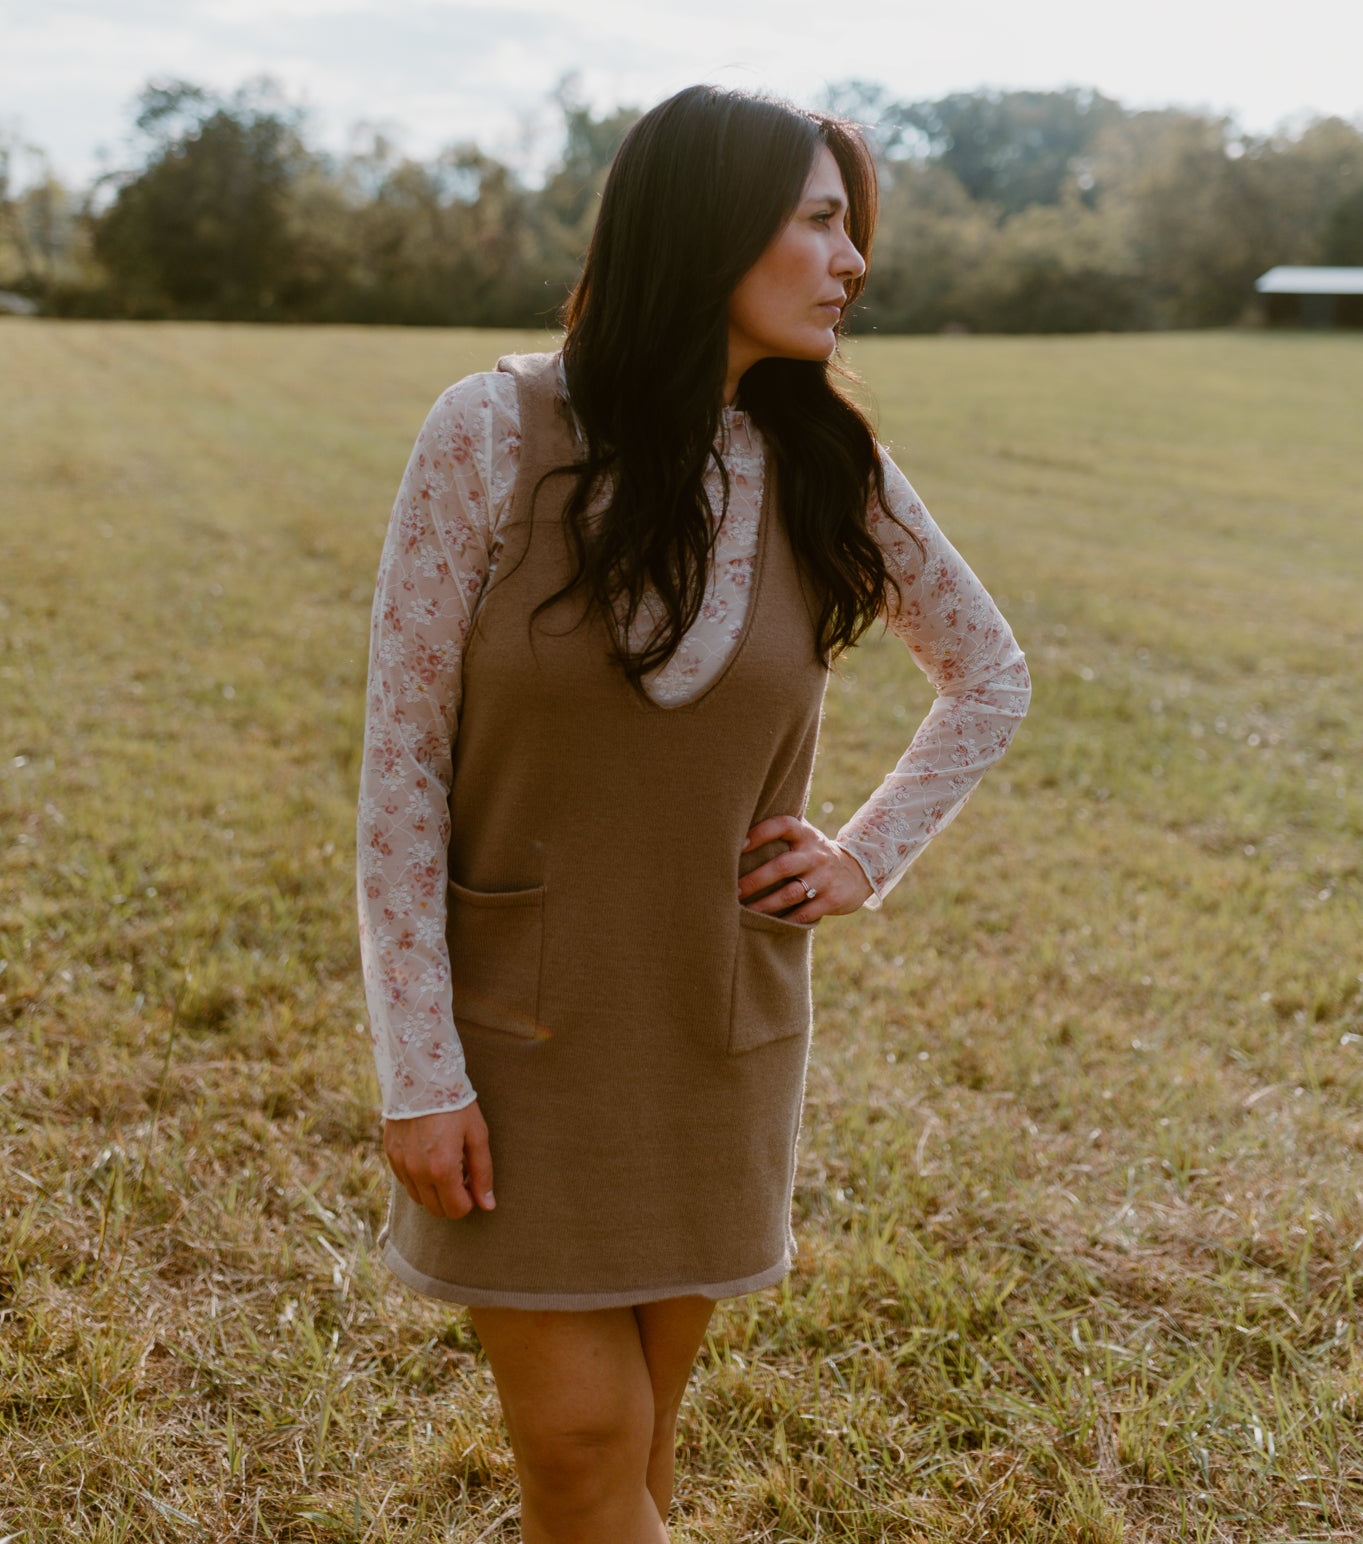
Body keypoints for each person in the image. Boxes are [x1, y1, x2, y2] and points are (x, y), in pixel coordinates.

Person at [356, 84, 1030, 1544]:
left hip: (717, 1028)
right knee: (589, 1450)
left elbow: (991, 674)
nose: (853, 261)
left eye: (852, 229)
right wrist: (420, 1071)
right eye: (820, 220)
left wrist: (865, 855)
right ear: (703, 226)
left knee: (636, 1465)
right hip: (516, 1043)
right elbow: (401, 765)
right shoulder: (491, 431)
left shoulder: (824, 463)